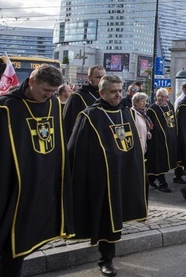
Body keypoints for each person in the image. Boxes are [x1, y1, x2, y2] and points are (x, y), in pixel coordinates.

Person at [0, 65, 72, 277]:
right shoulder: (5, 107)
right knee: (7, 238)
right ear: (31, 82)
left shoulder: (54, 104)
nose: (48, 96)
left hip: (41, 183)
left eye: (52, 92)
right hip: (12, 184)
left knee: (23, 239)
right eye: (45, 90)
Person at [67, 74, 147, 277]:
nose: (118, 95)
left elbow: (132, 145)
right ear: (102, 92)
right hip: (100, 177)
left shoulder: (125, 113)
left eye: (120, 91)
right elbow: (77, 149)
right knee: (104, 217)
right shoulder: (90, 115)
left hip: (122, 174)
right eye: (113, 91)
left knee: (116, 216)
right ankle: (106, 259)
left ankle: (109, 255)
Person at [145, 88, 178, 193]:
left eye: (163, 96)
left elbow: (173, 122)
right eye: (158, 95)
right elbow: (150, 126)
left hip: (169, 139)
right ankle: (163, 184)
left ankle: (151, 179)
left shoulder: (170, 106)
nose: (160, 98)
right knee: (159, 162)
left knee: (164, 162)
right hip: (157, 141)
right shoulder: (152, 109)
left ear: (167, 97)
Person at [62, 65, 105, 143]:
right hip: (84, 140)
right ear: (89, 78)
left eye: (103, 77)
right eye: (98, 77)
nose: (101, 80)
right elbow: (67, 124)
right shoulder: (77, 97)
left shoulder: (106, 95)